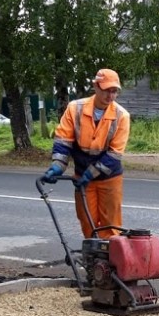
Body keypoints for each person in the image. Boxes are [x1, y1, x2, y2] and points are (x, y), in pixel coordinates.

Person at [42, 68, 131, 239]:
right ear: (96, 87)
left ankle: (108, 261)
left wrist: (91, 173)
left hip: (109, 178)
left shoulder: (122, 116)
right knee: (87, 221)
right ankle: (93, 260)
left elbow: (115, 154)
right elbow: (63, 141)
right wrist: (57, 166)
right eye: (106, 90)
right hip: (82, 177)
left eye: (114, 92)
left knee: (110, 225)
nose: (110, 96)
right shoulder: (75, 109)